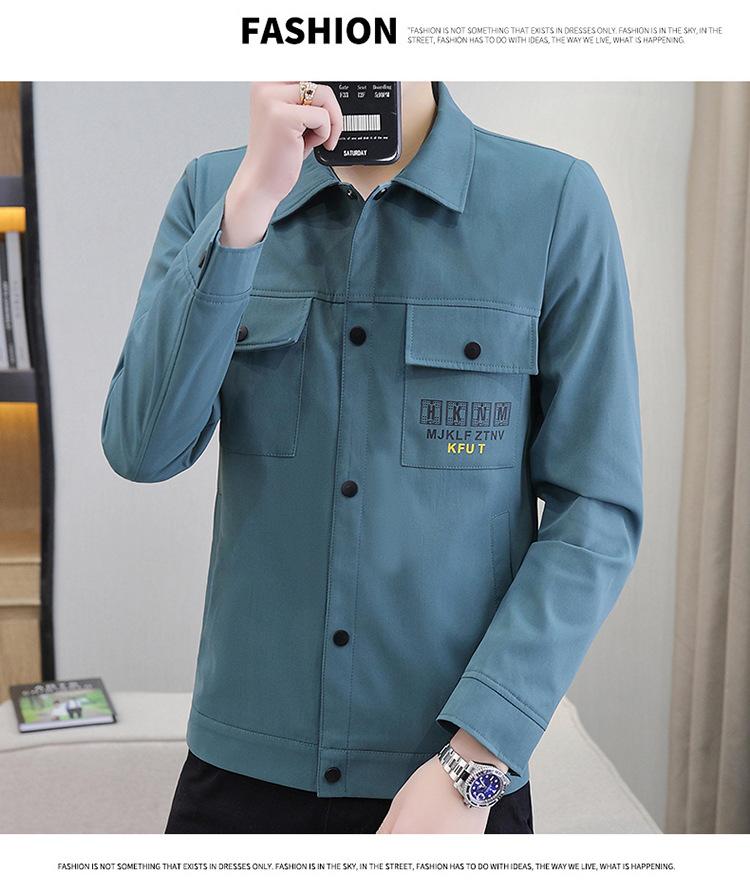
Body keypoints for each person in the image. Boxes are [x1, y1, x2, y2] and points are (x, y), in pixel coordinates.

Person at [101, 81, 643, 834]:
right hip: (240, 777)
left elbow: (597, 512)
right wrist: (246, 210)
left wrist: (475, 763)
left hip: (452, 779)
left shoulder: (554, 201)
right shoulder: (215, 189)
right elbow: (141, 447)